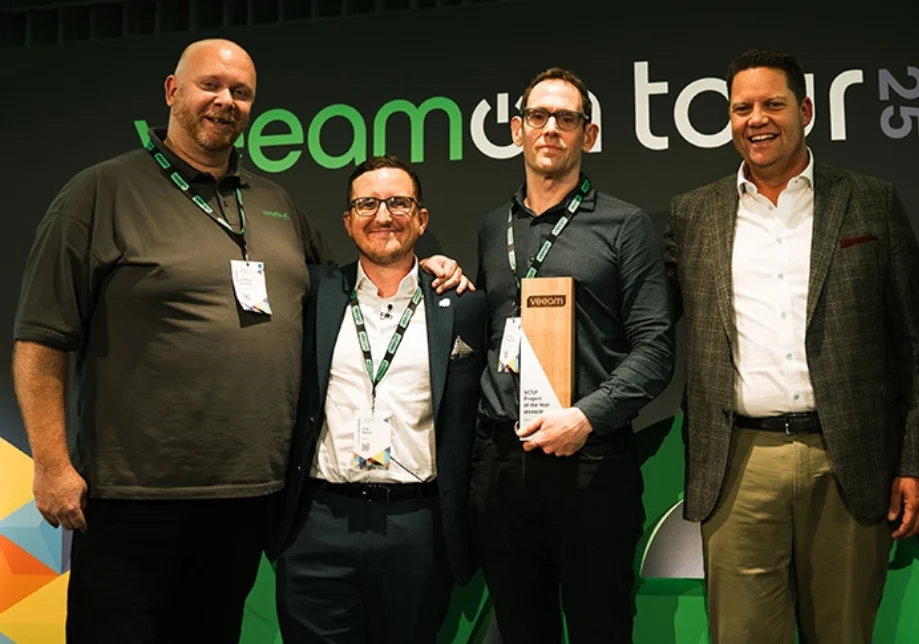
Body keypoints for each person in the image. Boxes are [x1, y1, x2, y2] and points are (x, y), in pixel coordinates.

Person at [11, 38, 466, 644]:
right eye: (210, 86)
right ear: (173, 92)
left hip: (250, 498)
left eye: (241, 92)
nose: (225, 100)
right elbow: (42, 337)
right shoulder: (100, 193)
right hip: (134, 498)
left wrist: (434, 269)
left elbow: (354, 289)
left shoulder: (275, 203)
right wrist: (50, 463)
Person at [663, 48, 919, 644]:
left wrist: (916, 461)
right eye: (742, 108)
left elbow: (914, 345)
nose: (756, 119)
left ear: (806, 110)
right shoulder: (692, 214)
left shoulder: (870, 200)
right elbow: (639, 317)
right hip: (737, 462)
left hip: (849, 461)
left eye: (772, 104)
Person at [469, 67, 675, 644]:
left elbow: (656, 348)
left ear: (590, 133)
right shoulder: (492, 228)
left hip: (590, 463)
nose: (551, 129)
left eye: (567, 118)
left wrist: (586, 417)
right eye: (539, 117)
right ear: (517, 130)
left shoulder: (624, 225)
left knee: (600, 629)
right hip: (502, 465)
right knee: (519, 630)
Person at [268, 155, 486, 644]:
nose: (383, 216)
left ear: (422, 219)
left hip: (417, 526)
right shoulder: (315, 293)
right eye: (367, 204)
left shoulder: (463, 305)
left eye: (398, 203)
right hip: (319, 523)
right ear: (347, 221)